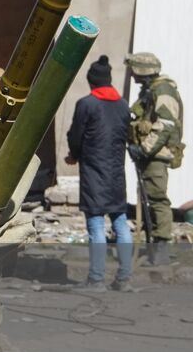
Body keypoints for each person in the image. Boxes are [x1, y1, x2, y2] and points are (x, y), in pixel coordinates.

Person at [64, 55, 133, 290]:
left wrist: (73, 155)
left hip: (94, 172)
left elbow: (76, 135)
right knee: (120, 222)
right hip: (116, 174)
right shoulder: (123, 105)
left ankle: (96, 278)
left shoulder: (87, 104)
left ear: (92, 82)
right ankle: (124, 277)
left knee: (95, 224)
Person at [126, 51, 184, 266]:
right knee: (148, 198)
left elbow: (166, 126)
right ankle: (153, 245)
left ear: (143, 71)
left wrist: (145, 149)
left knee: (158, 199)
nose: (132, 75)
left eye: (134, 70)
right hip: (149, 154)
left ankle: (161, 247)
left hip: (156, 156)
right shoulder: (150, 90)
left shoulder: (163, 90)